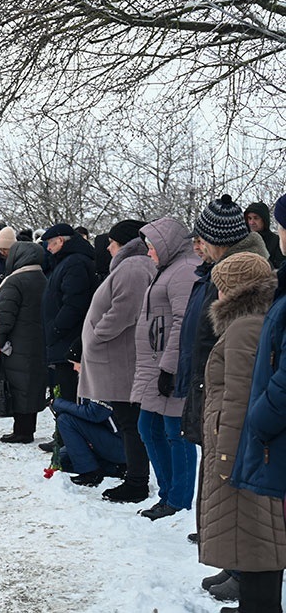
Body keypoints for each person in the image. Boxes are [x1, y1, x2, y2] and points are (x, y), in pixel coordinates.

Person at [199, 252, 284, 613]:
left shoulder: (244, 326)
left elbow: (241, 396)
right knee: (253, 537)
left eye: (220, 288)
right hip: (246, 448)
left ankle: (258, 607)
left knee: (254, 538)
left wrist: (228, 459)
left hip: (241, 453)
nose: (215, 296)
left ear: (234, 290)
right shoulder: (255, 320)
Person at [180, 195, 269, 446]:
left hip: (225, 400)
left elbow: (239, 349)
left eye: (203, 239)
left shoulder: (238, 273)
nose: (200, 246)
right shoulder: (218, 270)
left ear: (216, 239)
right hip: (211, 388)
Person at [77, 220, 154, 504]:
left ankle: (136, 482)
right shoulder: (133, 265)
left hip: (122, 357)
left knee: (129, 422)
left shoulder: (133, 267)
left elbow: (124, 310)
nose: (107, 247)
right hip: (121, 355)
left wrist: (97, 335)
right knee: (129, 421)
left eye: (111, 241)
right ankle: (135, 478)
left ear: (123, 242)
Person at [130, 217, 198, 520]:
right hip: (155, 366)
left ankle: (178, 500)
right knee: (149, 427)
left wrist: (169, 368)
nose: (149, 253)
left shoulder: (183, 270)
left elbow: (184, 324)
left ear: (166, 244)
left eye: (152, 246)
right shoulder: (169, 268)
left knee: (174, 432)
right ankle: (168, 494)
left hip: (169, 368)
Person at [0, 241, 48, 443]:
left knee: (18, 385)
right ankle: (28, 429)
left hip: (16, 342)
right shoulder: (42, 278)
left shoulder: (14, 282)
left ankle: (21, 431)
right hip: (38, 341)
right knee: (31, 385)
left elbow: (5, 316)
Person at [41, 223, 96, 405]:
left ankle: (68, 432)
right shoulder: (66, 262)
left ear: (61, 241)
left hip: (68, 340)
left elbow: (74, 303)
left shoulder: (75, 263)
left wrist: (56, 328)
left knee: (69, 394)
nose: (48, 248)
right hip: (65, 340)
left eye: (50, 243)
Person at [51, 398, 126, 485]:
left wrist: (59, 404)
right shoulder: (84, 385)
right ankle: (115, 468)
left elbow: (96, 413)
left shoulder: (104, 385)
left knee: (65, 420)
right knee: (61, 460)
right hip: (105, 435)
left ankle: (90, 473)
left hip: (123, 444)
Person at [245, 201, 285, 268]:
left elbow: (280, 268)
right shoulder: (243, 241)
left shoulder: (276, 241)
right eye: (249, 218)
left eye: (256, 218)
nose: (251, 222)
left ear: (264, 220)